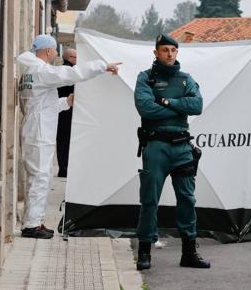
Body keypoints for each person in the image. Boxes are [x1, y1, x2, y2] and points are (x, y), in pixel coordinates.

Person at [17, 35, 121, 239]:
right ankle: (31, 225)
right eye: (55, 50)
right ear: (48, 51)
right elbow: (70, 73)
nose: (57, 54)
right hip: (39, 132)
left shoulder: (28, 73)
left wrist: (67, 102)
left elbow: (41, 105)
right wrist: (102, 65)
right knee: (39, 179)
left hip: (35, 129)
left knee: (40, 179)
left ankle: (34, 221)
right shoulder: (41, 70)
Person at [134, 33, 210, 270]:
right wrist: (178, 108)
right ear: (155, 53)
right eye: (164, 49)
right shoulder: (145, 78)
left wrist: (166, 102)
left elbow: (197, 105)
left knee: (187, 199)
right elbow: (146, 109)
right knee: (150, 199)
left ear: (177, 52)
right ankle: (145, 251)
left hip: (182, 147)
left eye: (173, 50)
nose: (169, 54)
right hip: (156, 146)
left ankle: (189, 253)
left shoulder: (186, 79)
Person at [56, 48, 77, 178]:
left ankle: (63, 168)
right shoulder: (70, 72)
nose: (78, 60)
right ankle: (65, 169)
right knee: (65, 140)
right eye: (75, 57)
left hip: (62, 109)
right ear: (70, 58)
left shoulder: (61, 70)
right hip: (66, 108)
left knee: (62, 140)